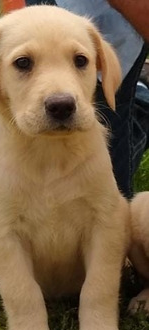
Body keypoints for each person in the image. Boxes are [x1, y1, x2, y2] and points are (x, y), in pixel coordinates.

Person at [25, 0, 149, 199]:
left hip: (118, 27)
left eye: (80, 61)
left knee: (108, 187)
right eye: (23, 64)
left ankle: (139, 99)